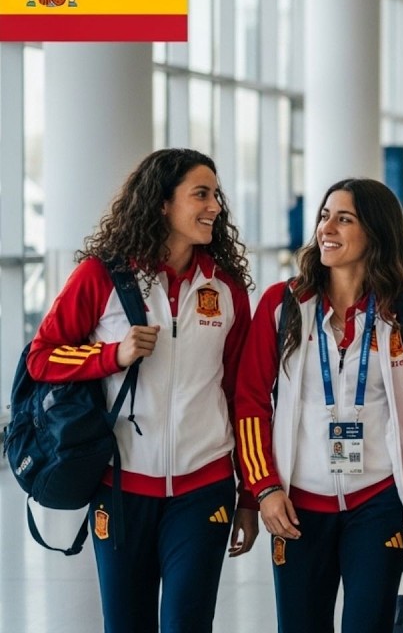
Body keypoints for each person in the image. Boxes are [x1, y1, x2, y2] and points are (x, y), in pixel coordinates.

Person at [26, 148, 258, 632]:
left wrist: (251, 495)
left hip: (204, 486)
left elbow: (243, 395)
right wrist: (112, 355)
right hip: (121, 487)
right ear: (161, 203)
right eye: (201, 194)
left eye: (216, 194)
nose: (215, 205)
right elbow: (42, 356)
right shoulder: (102, 276)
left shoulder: (228, 289)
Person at [234, 178, 403, 633]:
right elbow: (249, 404)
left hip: (379, 502)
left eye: (344, 219)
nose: (328, 227)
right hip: (296, 504)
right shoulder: (283, 306)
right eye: (325, 216)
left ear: (376, 232)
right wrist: (262, 488)